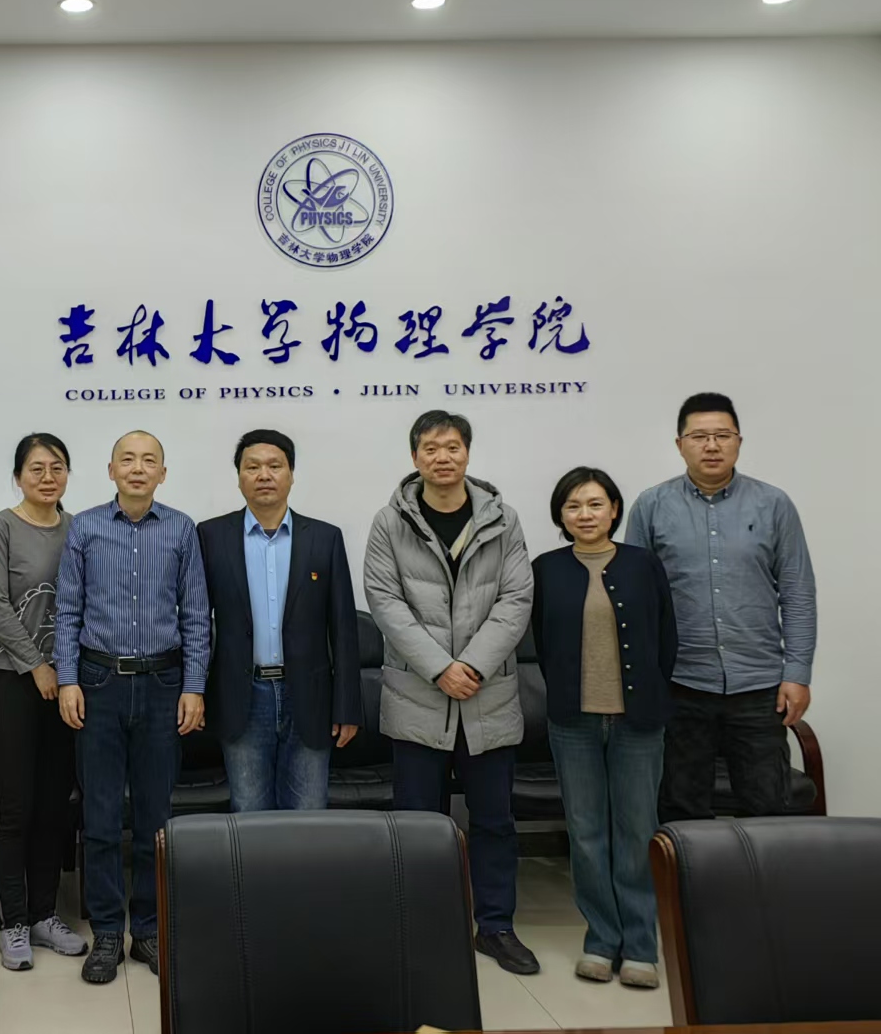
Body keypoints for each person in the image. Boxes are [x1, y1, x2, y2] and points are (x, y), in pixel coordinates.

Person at [363, 410, 538, 975]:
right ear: (415, 456)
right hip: (418, 696)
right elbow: (385, 602)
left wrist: (473, 666)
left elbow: (516, 598)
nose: (443, 457)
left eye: (453, 446)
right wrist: (441, 667)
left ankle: (496, 927)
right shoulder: (390, 522)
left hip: (488, 698)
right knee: (419, 826)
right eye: (431, 448)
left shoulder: (502, 519)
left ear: (467, 453)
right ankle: (422, 928)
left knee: (494, 822)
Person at [56, 430, 210, 985]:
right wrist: (67, 679)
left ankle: (146, 927)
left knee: (154, 817)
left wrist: (194, 686)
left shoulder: (182, 529)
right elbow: (68, 611)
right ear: (111, 470)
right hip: (98, 682)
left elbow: (196, 615)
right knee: (100, 817)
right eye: (128, 459)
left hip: (164, 683)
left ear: (163, 473)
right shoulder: (85, 527)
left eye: (149, 461)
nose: (138, 468)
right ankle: (105, 932)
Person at [624, 392, 817, 821]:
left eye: (722, 435)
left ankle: (765, 872)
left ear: (738, 442)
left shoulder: (774, 505)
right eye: (699, 436)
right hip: (681, 684)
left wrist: (797, 673)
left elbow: (798, 593)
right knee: (681, 811)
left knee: (767, 809)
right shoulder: (651, 507)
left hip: (759, 686)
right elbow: (633, 600)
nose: (711, 446)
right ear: (680, 445)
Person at [531, 467, 676, 990]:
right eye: (573, 506)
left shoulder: (643, 564)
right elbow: (542, 643)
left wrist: (650, 692)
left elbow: (666, 638)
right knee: (586, 832)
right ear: (560, 515)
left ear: (615, 509)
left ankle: (640, 945)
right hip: (574, 724)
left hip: (638, 722)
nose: (585, 514)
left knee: (637, 831)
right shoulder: (546, 569)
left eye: (595, 504)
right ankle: (600, 938)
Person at [199, 428, 361, 812]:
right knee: (248, 814)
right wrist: (195, 691)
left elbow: (343, 628)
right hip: (242, 697)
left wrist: (348, 707)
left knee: (308, 815)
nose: (264, 475)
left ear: (291, 475)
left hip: (309, 697)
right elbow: (196, 622)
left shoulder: (324, 538)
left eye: (275, 466)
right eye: (252, 467)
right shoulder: (210, 536)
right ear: (239, 477)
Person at [0, 433, 89, 971]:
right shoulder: (1, 527)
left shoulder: (79, 528)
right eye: (37, 468)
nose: (48, 477)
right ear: (18, 476)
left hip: (67, 685)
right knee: (16, 806)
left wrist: (64, 673)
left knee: (54, 804)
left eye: (57, 467)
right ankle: (14, 921)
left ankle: (46, 914)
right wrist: (36, 665)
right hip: (11, 681)